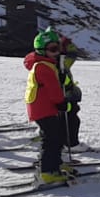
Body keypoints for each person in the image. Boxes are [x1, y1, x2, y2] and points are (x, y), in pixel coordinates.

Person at [23, 29, 71, 184]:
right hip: (43, 108)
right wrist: (60, 102)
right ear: (42, 51)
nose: (56, 53)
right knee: (51, 139)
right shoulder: (43, 66)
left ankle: (55, 163)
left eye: (57, 48)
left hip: (44, 106)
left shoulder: (46, 63)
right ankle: (47, 171)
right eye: (52, 50)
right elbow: (53, 89)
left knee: (56, 136)